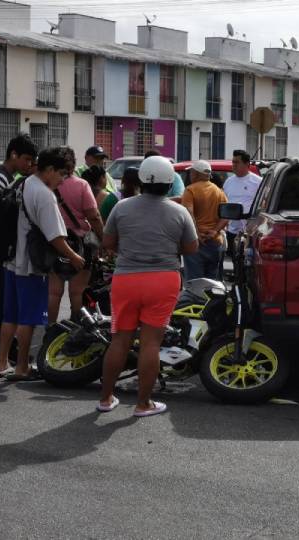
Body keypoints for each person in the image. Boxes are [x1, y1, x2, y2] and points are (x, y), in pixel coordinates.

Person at [97, 155, 198, 416]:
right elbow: (191, 248)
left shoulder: (122, 207)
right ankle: (143, 404)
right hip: (163, 280)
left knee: (119, 340)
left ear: (141, 180)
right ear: (169, 184)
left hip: (126, 279)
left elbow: (108, 242)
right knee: (151, 343)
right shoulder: (179, 211)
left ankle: (106, 399)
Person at [0, 147, 85, 381]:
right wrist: (74, 257)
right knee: (29, 319)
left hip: (12, 260)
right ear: (50, 169)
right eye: (62, 174)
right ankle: (22, 366)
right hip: (31, 265)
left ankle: (1, 362)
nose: (63, 180)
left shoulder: (23, 183)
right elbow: (54, 236)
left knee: (10, 316)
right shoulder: (43, 194)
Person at [0, 134, 37, 369]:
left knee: (7, 301)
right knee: (2, 301)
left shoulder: (9, 178)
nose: (29, 165)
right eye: (26, 159)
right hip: (0, 249)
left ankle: (5, 351)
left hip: (4, 249)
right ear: (14, 155)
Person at [48, 147, 105, 324]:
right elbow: (93, 216)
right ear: (73, 164)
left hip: (54, 243)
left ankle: (50, 327)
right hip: (80, 245)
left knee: (53, 292)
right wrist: (103, 239)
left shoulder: (47, 185)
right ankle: (76, 326)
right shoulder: (81, 185)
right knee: (77, 292)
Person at [181, 160, 228, 281]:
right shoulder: (219, 192)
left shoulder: (190, 190)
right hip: (215, 241)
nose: (190, 176)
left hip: (195, 242)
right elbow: (226, 216)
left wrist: (196, 233)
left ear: (196, 174)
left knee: (195, 283)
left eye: (191, 173)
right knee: (212, 283)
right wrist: (215, 231)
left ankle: (197, 300)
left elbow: (188, 213)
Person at [223, 150, 262, 255]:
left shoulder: (258, 182)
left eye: (237, 162)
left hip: (250, 231)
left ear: (246, 164)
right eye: (233, 162)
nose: (234, 165)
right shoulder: (228, 182)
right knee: (234, 261)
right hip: (232, 230)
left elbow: (264, 204)